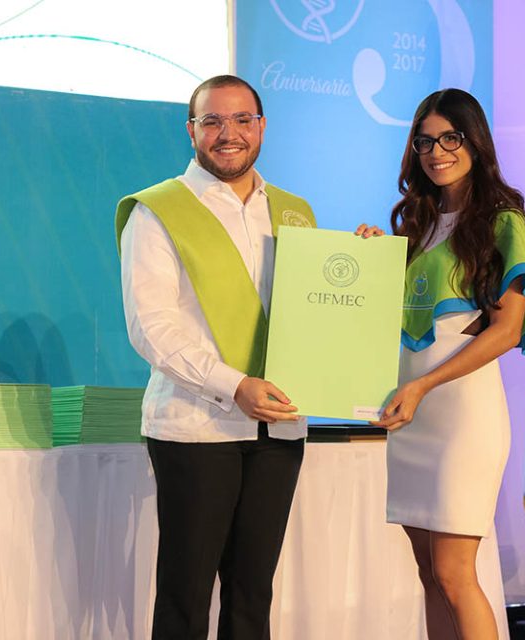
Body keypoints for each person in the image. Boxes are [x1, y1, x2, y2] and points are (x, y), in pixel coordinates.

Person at [358, 88, 525, 640]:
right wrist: (373, 260)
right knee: (429, 575)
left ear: (475, 142)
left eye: (450, 138)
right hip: (409, 415)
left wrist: (423, 385)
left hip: (461, 417)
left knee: (455, 574)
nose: (437, 152)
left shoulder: (503, 223)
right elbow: (397, 319)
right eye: (425, 142)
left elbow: (505, 331)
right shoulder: (417, 224)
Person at [115, 75, 316, 640]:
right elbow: (152, 327)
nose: (229, 133)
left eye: (242, 119)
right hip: (195, 426)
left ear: (262, 127)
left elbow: (317, 309)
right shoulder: (157, 211)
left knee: (253, 597)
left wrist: (364, 261)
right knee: (186, 597)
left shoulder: (295, 211)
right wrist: (234, 385)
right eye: (213, 121)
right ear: (192, 130)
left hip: (279, 427)